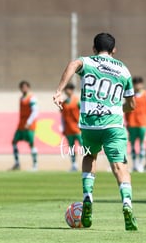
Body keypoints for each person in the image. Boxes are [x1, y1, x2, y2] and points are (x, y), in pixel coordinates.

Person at [53, 32, 138, 231]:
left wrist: (59, 90)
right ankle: (126, 203)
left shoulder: (88, 62)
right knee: (119, 165)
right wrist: (117, 107)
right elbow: (132, 105)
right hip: (113, 125)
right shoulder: (123, 70)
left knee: (90, 156)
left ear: (94, 48)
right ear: (114, 50)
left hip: (90, 123)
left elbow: (73, 64)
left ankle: (88, 197)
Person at [125, 77, 146, 172]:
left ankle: (140, 164)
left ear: (142, 84)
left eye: (139, 83)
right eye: (135, 83)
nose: (137, 85)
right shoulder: (130, 95)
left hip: (143, 123)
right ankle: (134, 165)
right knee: (132, 145)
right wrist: (126, 122)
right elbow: (126, 108)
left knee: (142, 145)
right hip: (132, 123)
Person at [11, 81, 38, 171]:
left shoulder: (32, 98)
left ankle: (35, 165)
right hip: (21, 125)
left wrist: (29, 122)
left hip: (29, 125)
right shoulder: (21, 98)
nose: (23, 89)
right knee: (14, 142)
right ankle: (17, 163)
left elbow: (35, 112)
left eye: (25, 87)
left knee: (31, 144)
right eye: (22, 87)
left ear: (28, 87)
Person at [60, 83, 82, 172]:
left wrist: (82, 124)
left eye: (68, 89)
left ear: (72, 90)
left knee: (84, 147)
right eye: (65, 89)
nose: (66, 91)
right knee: (71, 148)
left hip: (78, 129)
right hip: (68, 129)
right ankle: (74, 164)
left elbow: (82, 113)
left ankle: (89, 163)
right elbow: (62, 116)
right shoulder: (64, 103)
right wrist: (63, 127)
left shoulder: (77, 101)